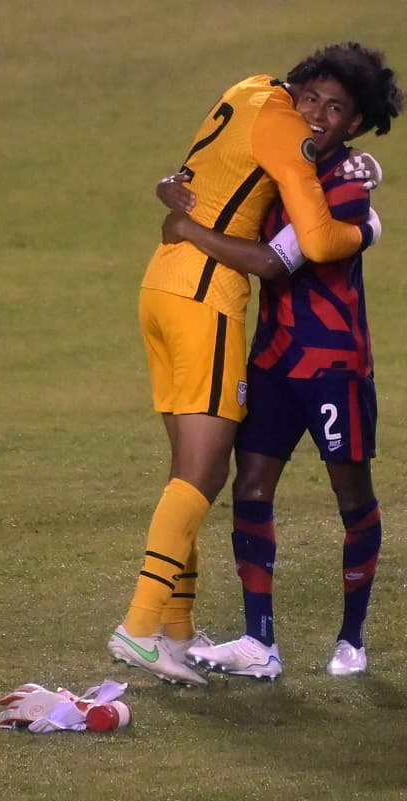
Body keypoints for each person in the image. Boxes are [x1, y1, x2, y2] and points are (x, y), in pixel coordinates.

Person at [107, 47, 383, 687]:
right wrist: (365, 229)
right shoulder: (290, 144)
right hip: (233, 320)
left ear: (355, 122)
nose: (314, 114)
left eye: (333, 107)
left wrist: (182, 214)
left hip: (204, 304)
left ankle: (184, 634)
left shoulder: (276, 118)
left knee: (199, 477)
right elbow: (285, 234)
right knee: (213, 480)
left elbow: (260, 238)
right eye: (310, 97)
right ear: (295, 88)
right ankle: (161, 628)